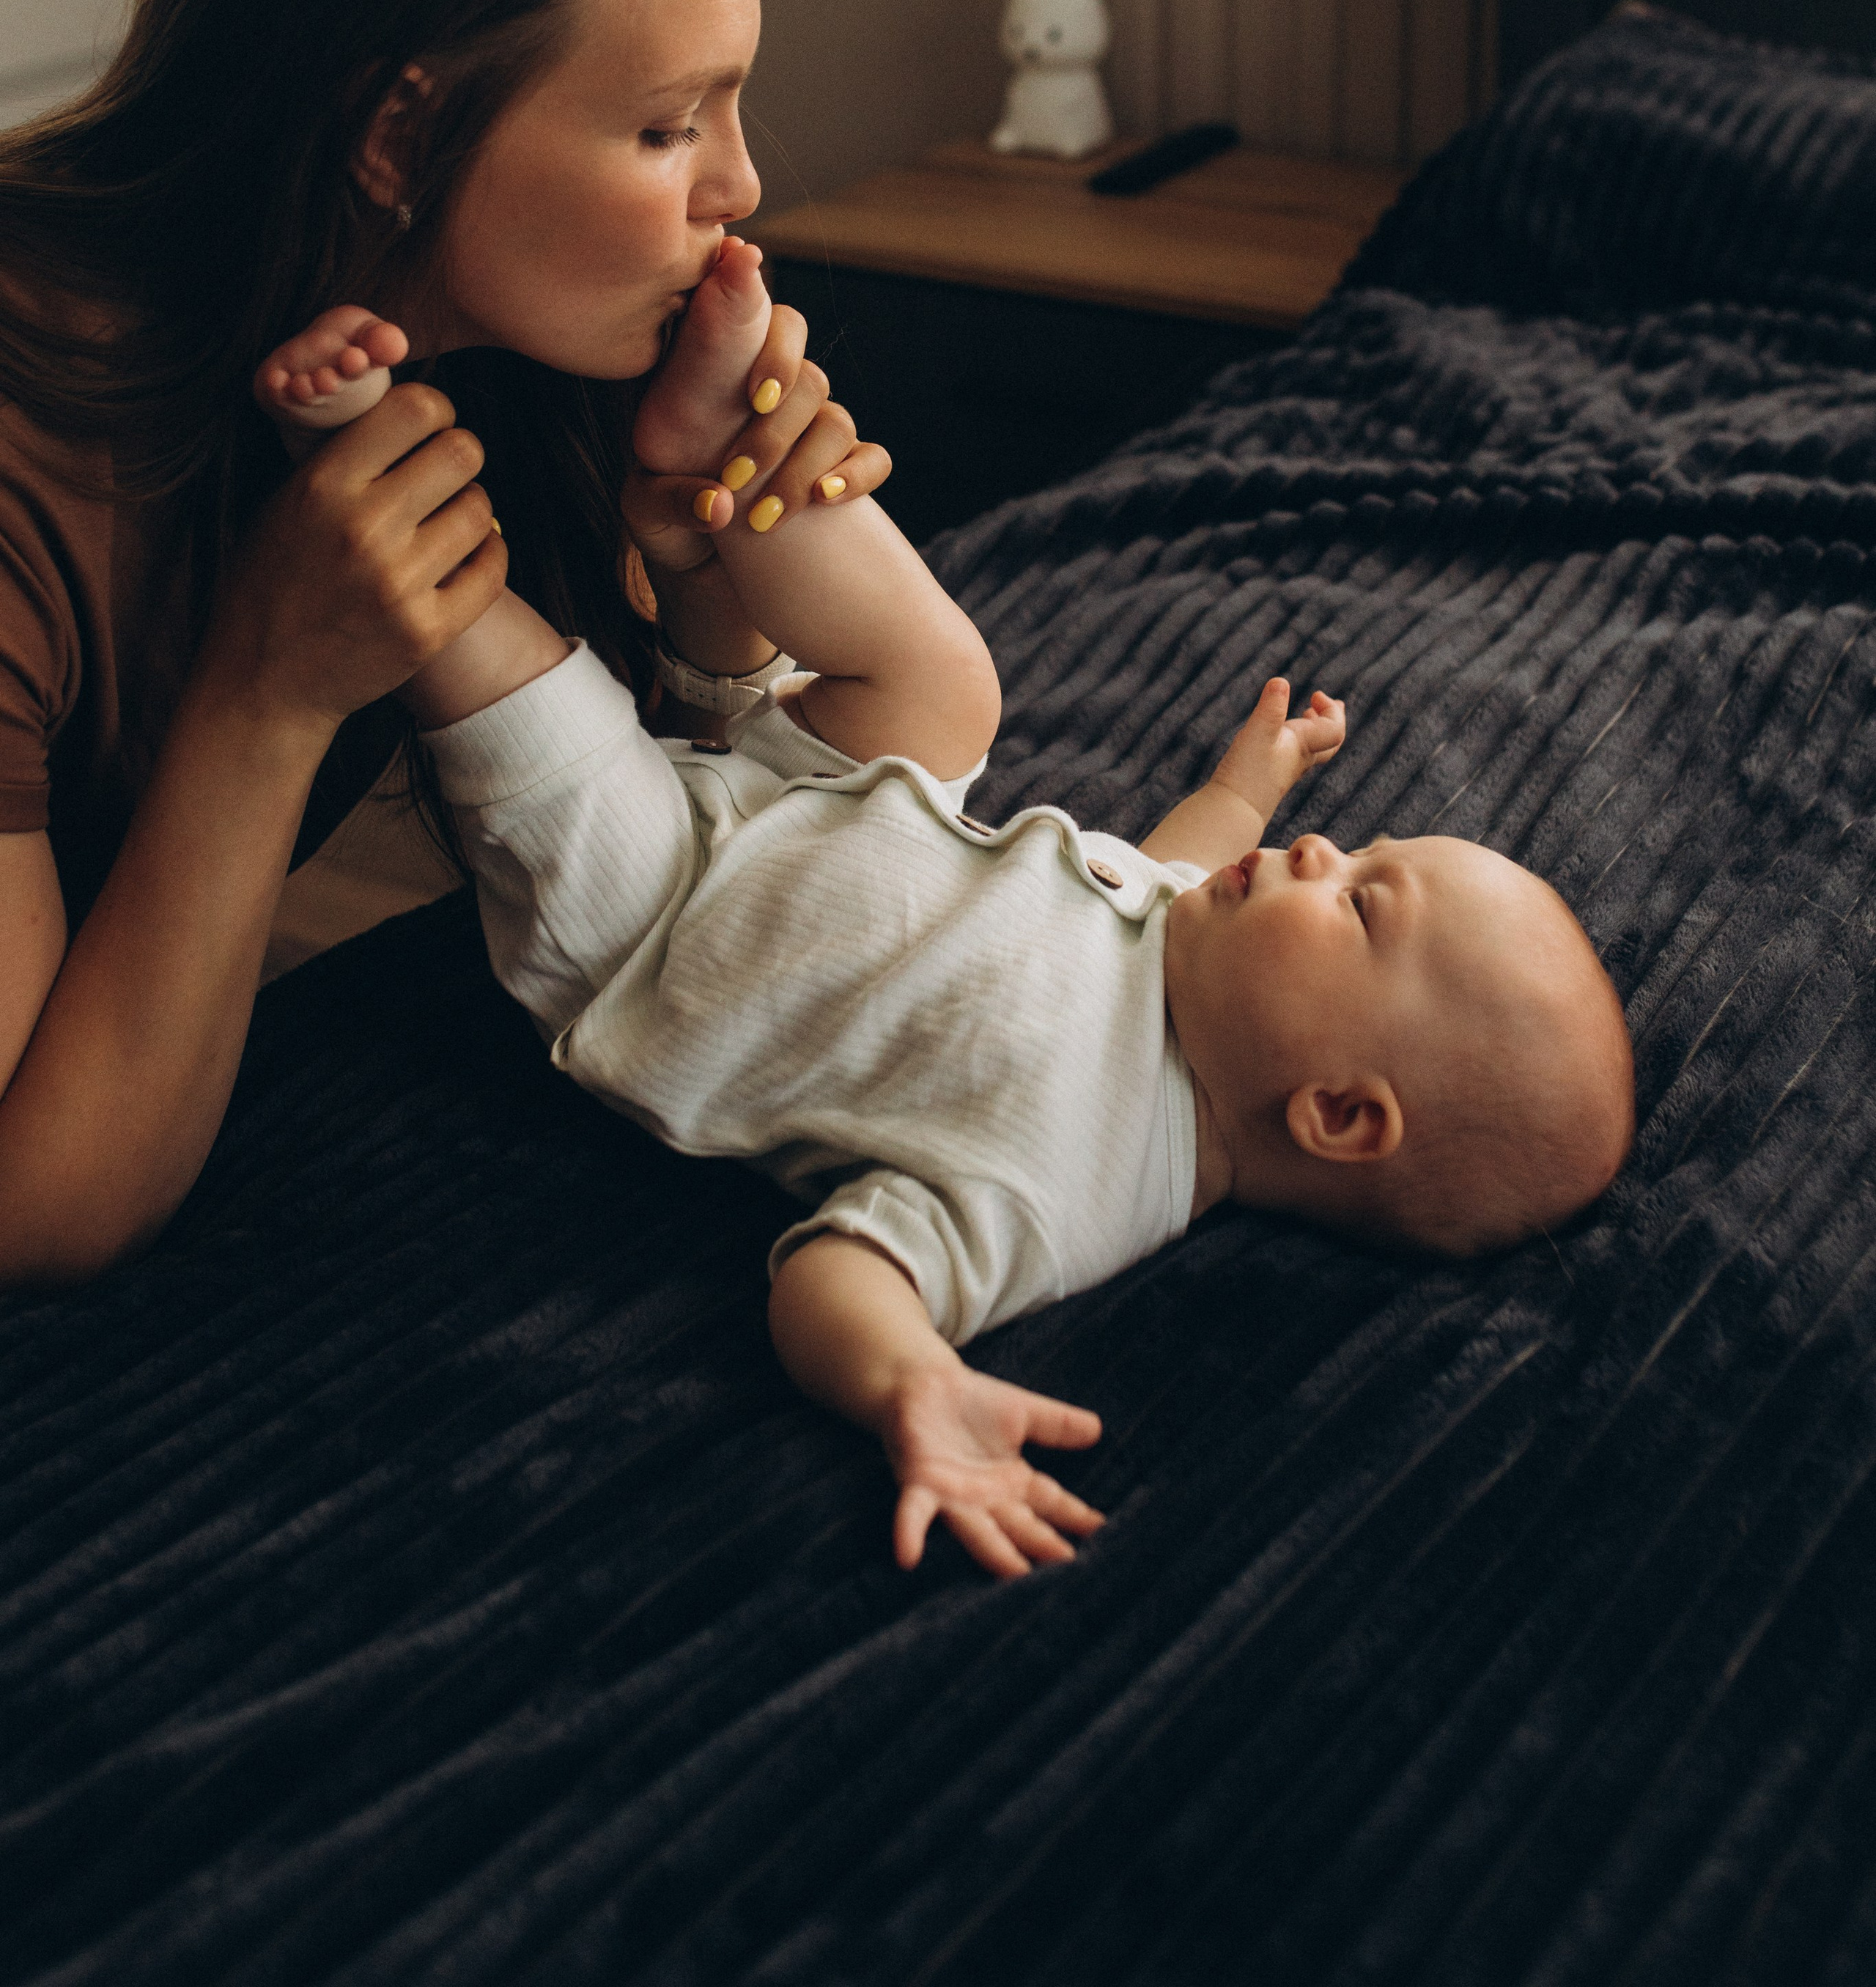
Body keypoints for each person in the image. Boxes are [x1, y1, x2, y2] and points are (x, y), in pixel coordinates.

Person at [254, 269, 1638, 1583]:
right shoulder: (1198, 967)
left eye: (1360, 903)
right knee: (950, 685)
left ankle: (373, 466)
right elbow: (1165, 867)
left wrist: (914, 1382)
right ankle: (726, 458)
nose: (1325, 855)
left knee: (533, 691)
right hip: (825, 799)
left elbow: (847, 1275)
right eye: (1360, 851)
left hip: (661, 921)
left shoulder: (1065, 1181)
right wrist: (1247, 784)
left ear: (1336, 1114)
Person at [0, 0, 885, 1287]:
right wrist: (269, 690)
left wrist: (700, 564)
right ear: (398, 139)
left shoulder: (463, 373)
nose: (742, 185)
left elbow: (694, 915)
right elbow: (34, 1208)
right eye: (667, 125)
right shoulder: (31, 462)